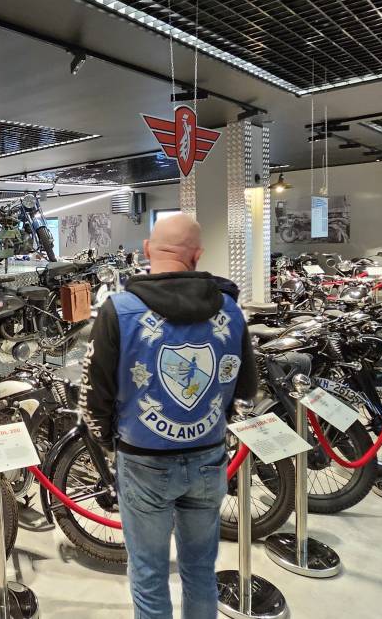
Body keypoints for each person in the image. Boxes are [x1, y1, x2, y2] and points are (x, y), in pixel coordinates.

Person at [80, 213, 257, 619]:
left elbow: (93, 395)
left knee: (148, 574)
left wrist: (109, 441)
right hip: (209, 455)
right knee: (200, 570)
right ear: (197, 255)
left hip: (143, 459)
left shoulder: (118, 310)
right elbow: (246, 388)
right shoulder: (230, 310)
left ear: (146, 249)